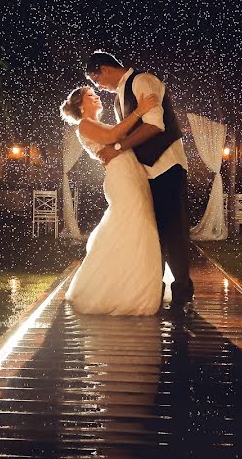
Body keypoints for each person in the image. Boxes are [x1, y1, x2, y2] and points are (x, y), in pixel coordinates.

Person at [84, 51, 195, 313]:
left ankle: (182, 293)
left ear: (104, 68)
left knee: (174, 232)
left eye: (95, 79)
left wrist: (118, 147)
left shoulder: (142, 81)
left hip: (167, 166)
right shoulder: (118, 100)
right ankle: (152, 290)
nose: (97, 86)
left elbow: (155, 125)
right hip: (145, 173)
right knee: (152, 234)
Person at [60, 85, 165, 315]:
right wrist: (140, 110)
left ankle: (137, 282)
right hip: (121, 176)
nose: (96, 96)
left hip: (132, 172)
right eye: (90, 95)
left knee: (140, 223)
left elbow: (121, 137)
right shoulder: (85, 124)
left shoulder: (97, 122)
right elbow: (112, 136)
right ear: (80, 105)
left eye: (94, 93)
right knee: (130, 221)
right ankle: (121, 290)